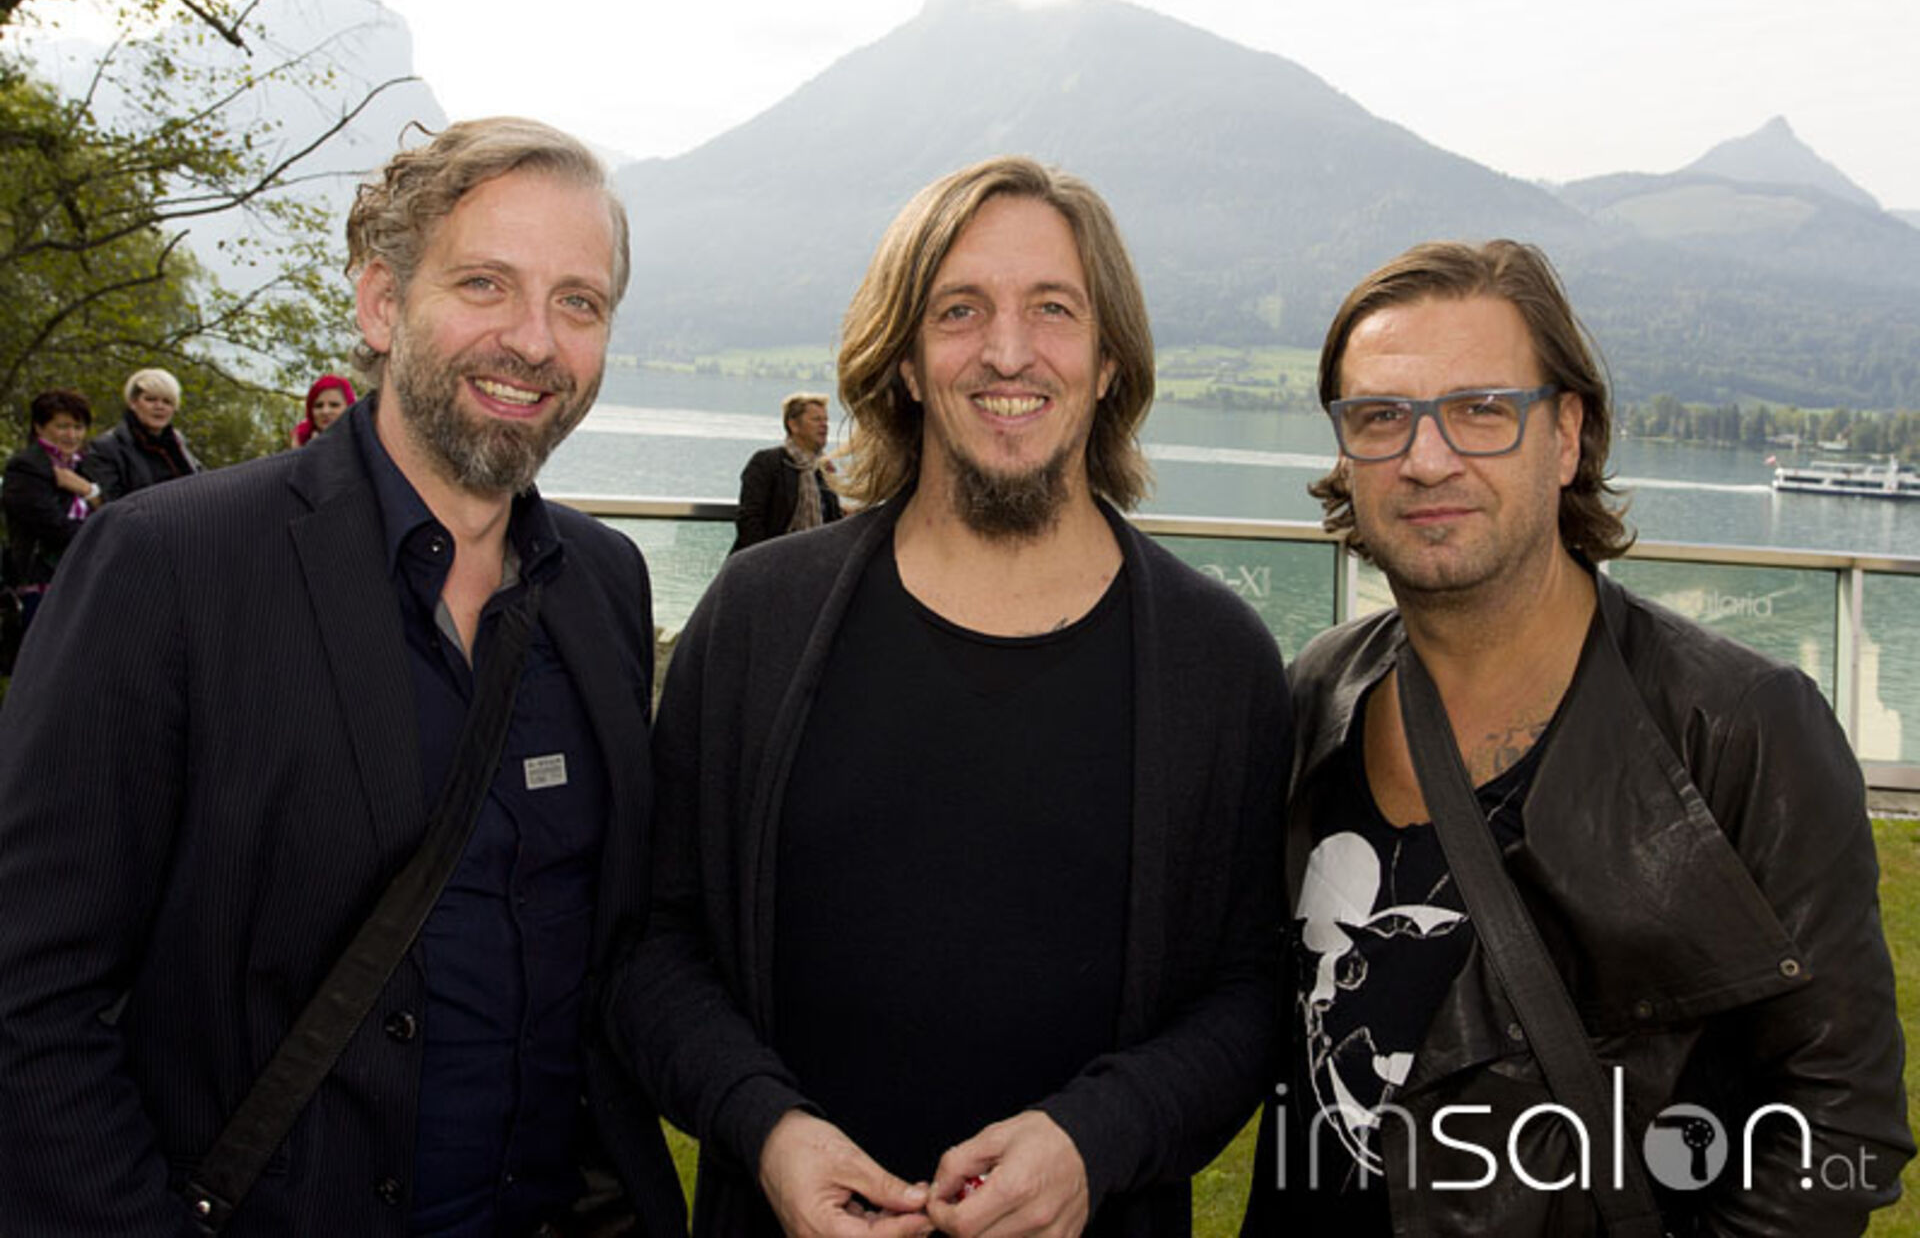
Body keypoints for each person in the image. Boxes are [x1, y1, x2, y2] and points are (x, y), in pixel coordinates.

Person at [0, 117, 684, 1236]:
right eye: (485, 284)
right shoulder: (170, 565)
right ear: (380, 303)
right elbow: (29, 995)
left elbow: (610, 954)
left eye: (579, 302)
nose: (533, 340)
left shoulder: (603, 584)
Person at [607, 155, 1289, 1238]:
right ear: (908, 362)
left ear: (1110, 360)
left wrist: (1099, 1138)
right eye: (960, 309)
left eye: (1054, 309)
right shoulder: (758, 622)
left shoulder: (1218, 662)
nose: (1008, 352)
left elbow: (1252, 993)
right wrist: (766, 1129)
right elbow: (653, 945)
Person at [1243, 239, 1912, 1235]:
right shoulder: (1319, 694)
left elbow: (1840, 1118)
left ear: (1567, 435)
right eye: (1381, 416)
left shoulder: (1740, 727)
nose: (1426, 458)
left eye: (1481, 409)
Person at [2, 389, 103, 635]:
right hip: (43, 583)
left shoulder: (87, 466)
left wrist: (88, 491)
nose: (72, 435)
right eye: (62, 426)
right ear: (39, 427)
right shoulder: (25, 468)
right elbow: (51, 526)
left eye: (78, 427)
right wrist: (99, 534)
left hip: (87, 578)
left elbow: (114, 510)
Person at [730, 391, 843, 551]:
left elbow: (833, 522)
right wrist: (765, 559)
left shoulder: (824, 469)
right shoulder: (767, 462)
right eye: (816, 419)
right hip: (771, 558)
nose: (824, 425)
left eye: (826, 420)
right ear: (793, 425)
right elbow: (749, 520)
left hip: (815, 559)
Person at [84, 366, 203, 498]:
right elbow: (112, 500)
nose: (159, 407)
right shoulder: (106, 448)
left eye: (167, 402)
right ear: (133, 403)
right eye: (151, 399)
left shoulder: (179, 444)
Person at [290, 374, 359, 447]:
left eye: (334, 405)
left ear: (349, 408)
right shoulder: (301, 439)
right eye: (319, 406)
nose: (325, 411)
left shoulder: (362, 439)